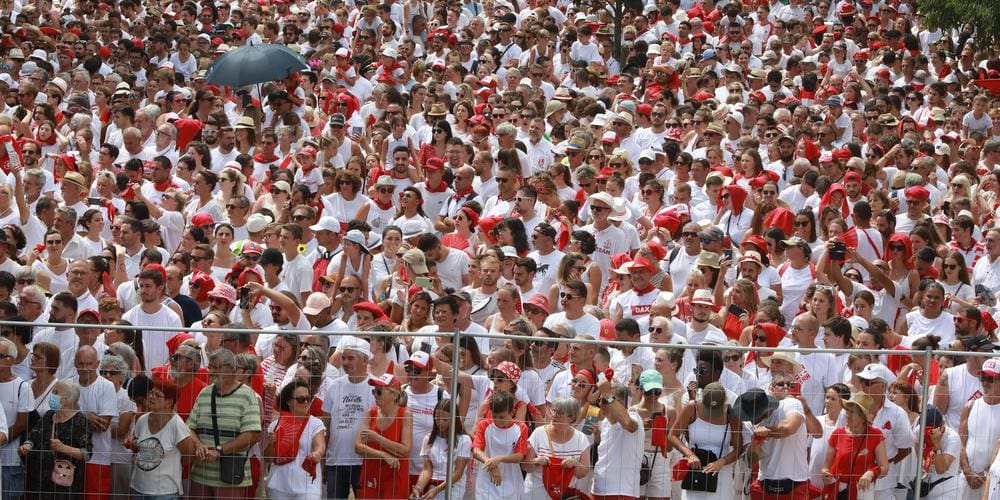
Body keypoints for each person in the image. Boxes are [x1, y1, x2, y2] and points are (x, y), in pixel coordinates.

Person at [185, 349, 262, 498]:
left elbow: (252, 435)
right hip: (201, 474)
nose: (212, 371)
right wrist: (198, 445)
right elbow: (189, 428)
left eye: (216, 367)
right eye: (210, 367)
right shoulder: (204, 393)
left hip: (230, 476)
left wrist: (219, 451)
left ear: (231, 368)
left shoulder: (247, 395)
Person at [19, 379, 91, 499]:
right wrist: (27, 445)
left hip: (64, 485)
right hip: (41, 482)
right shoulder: (49, 415)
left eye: (56, 392)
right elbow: (33, 436)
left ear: (67, 399)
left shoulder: (80, 421)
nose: (52, 395)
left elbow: (87, 454)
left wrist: (64, 448)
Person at [669, 381, 742, 499]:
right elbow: (672, 435)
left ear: (725, 402)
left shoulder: (732, 414)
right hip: (695, 473)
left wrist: (722, 462)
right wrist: (689, 454)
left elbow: (739, 448)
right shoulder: (691, 407)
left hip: (721, 473)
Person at [127, 376, 195, 500]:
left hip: (165, 492)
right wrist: (135, 444)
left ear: (169, 402)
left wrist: (172, 465)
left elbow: (189, 455)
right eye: (151, 393)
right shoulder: (142, 420)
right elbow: (137, 442)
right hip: (139, 488)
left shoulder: (177, 425)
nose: (151, 397)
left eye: (157, 395)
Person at [263, 381, 327, 500]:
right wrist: (271, 443)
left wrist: (317, 453)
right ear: (288, 402)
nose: (306, 402)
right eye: (301, 399)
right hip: (278, 485)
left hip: (308, 487)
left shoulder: (316, 423)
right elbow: (267, 458)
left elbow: (320, 444)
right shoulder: (275, 425)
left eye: (308, 398)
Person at [821, 392, 888, 500]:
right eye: (847, 410)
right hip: (835, 491)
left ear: (863, 417)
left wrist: (871, 473)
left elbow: (884, 468)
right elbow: (826, 467)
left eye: (852, 412)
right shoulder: (838, 434)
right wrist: (825, 474)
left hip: (861, 492)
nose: (847, 414)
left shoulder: (875, 435)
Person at [356, 373, 412, 499]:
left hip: (394, 478)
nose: (375, 395)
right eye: (374, 391)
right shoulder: (371, 413)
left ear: (394, 395)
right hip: (371, 475)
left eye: (379, 391)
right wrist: (383, 454)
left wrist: (377, 437)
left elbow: (405, 450)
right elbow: (358, 447)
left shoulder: (405, 415)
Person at [472, 390, 529, 500]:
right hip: (486, 482)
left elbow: (519, 456)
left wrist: (499, 459)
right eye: (494, 416)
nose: (497, 420)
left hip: (512, 483)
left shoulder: (521, 428)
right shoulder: (484, 425)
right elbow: (476, 451)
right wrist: (492, 465)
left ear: (512, 412)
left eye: (502, 417)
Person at [412, 398, 472, 500]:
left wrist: (437, 490)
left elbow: (458, 473)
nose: (440, 423)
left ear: (454, 419)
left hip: (453, 487)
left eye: (445, 420)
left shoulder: (464, 440)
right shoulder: (428, 438)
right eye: (437, 418)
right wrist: (418, 488)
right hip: (433, 486)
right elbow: (427, 469)